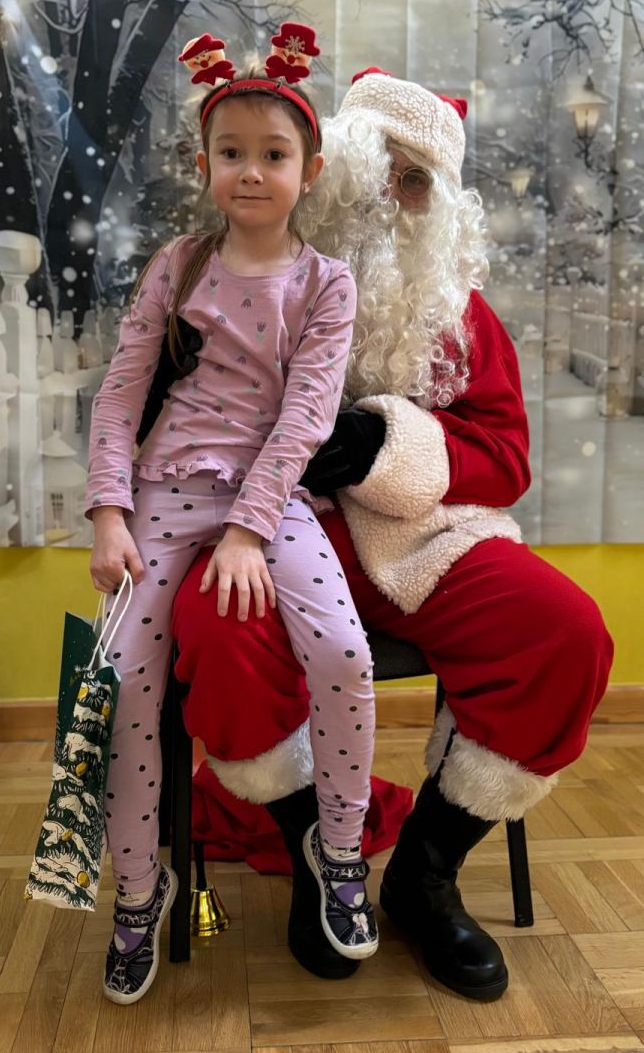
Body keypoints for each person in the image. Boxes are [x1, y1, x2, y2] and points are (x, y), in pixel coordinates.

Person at [170, 67, 614, 998]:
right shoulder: (242, 272)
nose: (388, 195)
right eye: (379, 168)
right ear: (333, 168)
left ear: (438, 206)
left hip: (424, 540)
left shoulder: (457, 314)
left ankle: (425, 872)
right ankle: (314, 852)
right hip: (270, 531)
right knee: (217, 622)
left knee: (564, 635)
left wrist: (385, 444)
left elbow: (505, 457)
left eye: (414, 182)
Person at [86, 26, 382, 1006]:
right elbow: (121, 391)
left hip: (271, 499)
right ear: (204, 164)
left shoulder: (325, 284)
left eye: (273, 154)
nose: (251, 172)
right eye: (231, 153)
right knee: (126, 684)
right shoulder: (178, 265)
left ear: (308, 170)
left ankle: (338, 846)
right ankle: (140, 888)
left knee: (342, 652)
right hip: (164, 496)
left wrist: (252, 529)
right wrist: (109, 512)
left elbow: (306, 416)